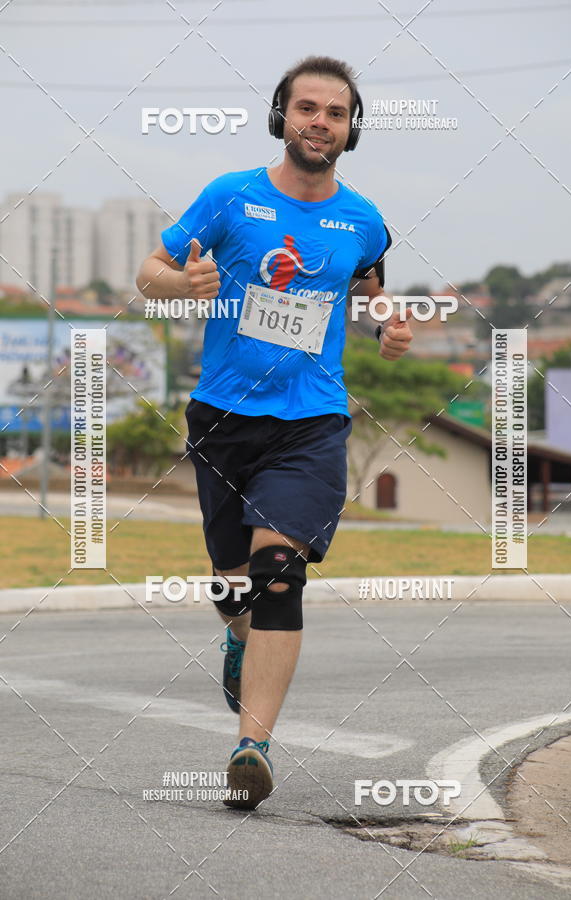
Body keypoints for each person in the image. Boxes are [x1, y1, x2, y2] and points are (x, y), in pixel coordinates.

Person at [136, 55, 413, 810]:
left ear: (352, 129)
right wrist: (182, 284)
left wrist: (386, 323)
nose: (320, 121)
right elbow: (148, 271)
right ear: (281, 116)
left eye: (336, 112)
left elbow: (371, 288)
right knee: (235, 586)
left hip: (312, 421)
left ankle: (250, 748)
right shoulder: (230, 198)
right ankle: (237, 631)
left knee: (279, 570)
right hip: (224, 417)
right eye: (307, 108)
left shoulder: (363, 220)